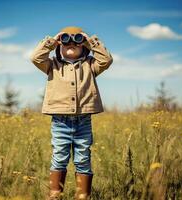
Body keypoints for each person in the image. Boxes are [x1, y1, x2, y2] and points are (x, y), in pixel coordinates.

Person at [30, 26, 113, 200]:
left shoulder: (90, 65)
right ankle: (54, 194)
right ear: (60, 44)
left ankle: (83, 195)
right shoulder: (52, 64)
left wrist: (90, 41)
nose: (72, 43)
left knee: (83, 159)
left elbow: (106, 60)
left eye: (77, 41)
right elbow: (35, 57)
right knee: (59, 157)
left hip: (83, 121)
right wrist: (52, 41)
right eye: (67, 39)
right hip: (60, 122)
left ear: (83, 45)